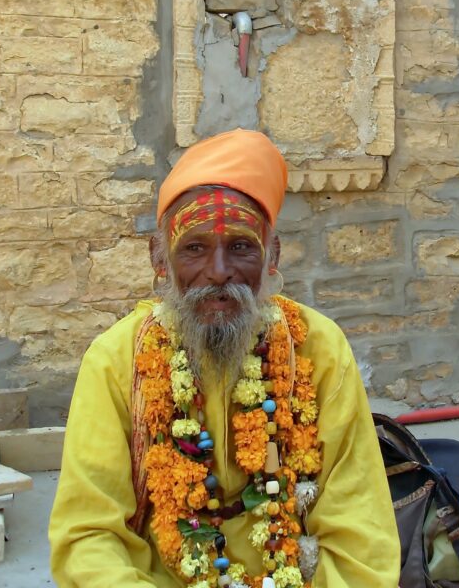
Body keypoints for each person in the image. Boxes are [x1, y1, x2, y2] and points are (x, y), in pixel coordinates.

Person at [49, 129, 400, 588]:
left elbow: (360, 525)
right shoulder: (117, 360)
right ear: (160, 259)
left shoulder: (316, 347)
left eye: (240, 247)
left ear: (271, 255)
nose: (218, 271)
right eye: (194, 248)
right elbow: (88, 537)